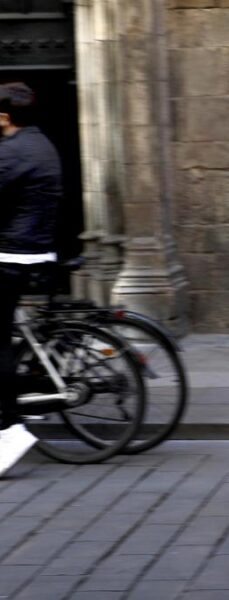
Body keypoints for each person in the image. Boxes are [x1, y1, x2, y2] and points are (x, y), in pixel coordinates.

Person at [0, 82, 62, 477]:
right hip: (34, 247)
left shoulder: (11, 152)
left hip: (14, 254)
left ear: (4, 117)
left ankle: (10, 428)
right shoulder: (40, 143)